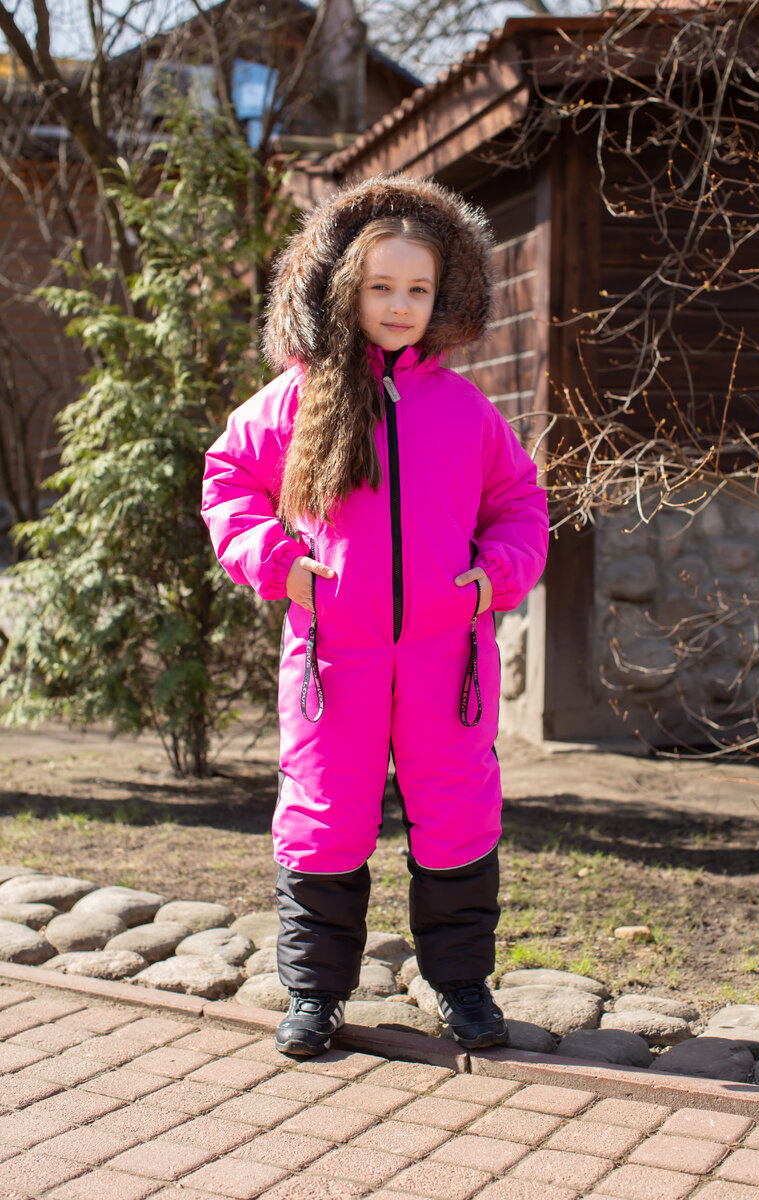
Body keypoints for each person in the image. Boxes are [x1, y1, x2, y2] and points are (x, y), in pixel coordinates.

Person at [202, 175, 549, 1058]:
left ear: (444, 297)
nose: (399, 306)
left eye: (418, 289)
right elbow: (229, 481)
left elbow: (520, 504)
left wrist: (492, 579)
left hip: (447, 660)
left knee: (458, 814)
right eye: (380, 286)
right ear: (343, 288)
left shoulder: (464, 411)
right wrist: (278, 564)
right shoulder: (294, 399)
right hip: (332, 659)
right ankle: (314, 995)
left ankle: (462, 986)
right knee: (324, 816)